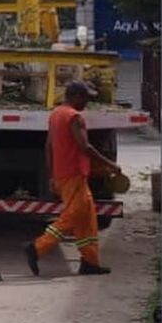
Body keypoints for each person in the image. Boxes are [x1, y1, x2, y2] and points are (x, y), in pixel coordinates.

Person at [25, 80, 120, 277]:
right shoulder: (74, 117)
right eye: (85, 97)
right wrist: (110, 164)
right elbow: (85, 147)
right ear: (75, 96)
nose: (87, 102)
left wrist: (52, 175)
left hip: (64, 175)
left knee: (87, 218)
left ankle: (90, 262)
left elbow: (49, 146)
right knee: (73, 216)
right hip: (74, 174)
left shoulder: (56, 114)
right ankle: (37, 247)